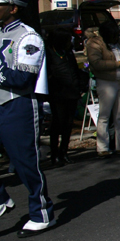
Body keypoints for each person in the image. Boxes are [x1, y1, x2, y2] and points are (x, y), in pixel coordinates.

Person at [0, 0, 57, 236]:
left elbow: (22, 78)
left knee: (25, 162)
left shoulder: (28, 36)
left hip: (17, 105)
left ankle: (42, 211)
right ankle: (2, 199)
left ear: (13, 8)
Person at [85, 20, 120, 157]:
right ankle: (102, 147)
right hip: (107, 81)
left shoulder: (118, 42)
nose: (116, 37)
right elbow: (96, 63)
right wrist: (118, 63)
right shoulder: (95, 43)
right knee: (105, 116)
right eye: (113, 35)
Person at [46, 27, 87, 165]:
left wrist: (80, 85)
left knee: (68, 124)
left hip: (72, 92)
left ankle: (64, 152)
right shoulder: (50, 53)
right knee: (58, 123)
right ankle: (54, 154)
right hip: (58, 94)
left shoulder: (68, 52)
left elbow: (75, 69)